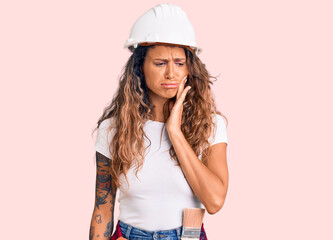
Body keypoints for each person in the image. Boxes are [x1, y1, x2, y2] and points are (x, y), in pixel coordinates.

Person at [89, 3, 229, 240]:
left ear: (190, 68)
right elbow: (103, 206)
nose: (171, 74)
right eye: (160, 63)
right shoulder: (114, 129)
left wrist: (175, 132)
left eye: (179, 63)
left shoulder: (210, 125)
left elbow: (215, 201)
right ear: (140, 67)